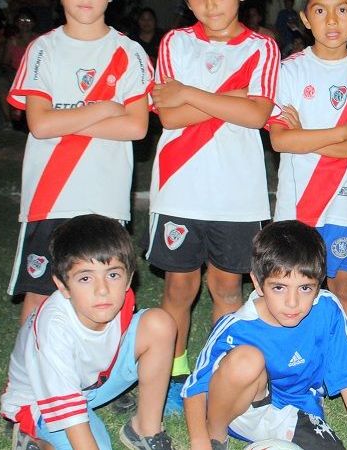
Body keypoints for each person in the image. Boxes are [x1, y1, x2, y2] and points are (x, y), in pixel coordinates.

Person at [142, 0, 279, 416]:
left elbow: (256, 115)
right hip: (179, 187)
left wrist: (189, 94)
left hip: (238, 194)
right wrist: (231, 98)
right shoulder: (175, 43)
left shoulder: (262, 47)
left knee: (228, 288)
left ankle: (222, 374)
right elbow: (168, 117)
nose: (211, 4)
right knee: (178, 289)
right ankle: (175, 375)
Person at [6, 0, 152, 326]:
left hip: (105, 195)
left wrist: (64, 121)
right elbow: (40, 124)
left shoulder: (129, 52)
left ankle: (98, 360)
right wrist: (103, 109)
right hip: (50, 193)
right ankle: (29, 360)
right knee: (41, 293)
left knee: (103, 293)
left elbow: (136, 126)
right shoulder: (42, 49)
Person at [182, 220, 347, 450]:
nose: (292, 303)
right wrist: (199, 441)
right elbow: (195, 388)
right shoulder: (238, 327)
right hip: (241, 412)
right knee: (246, 360)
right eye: (279, 288)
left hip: (297, 410)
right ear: (257, 283)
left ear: (319, 284)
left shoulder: (327, 310)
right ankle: (216, 435)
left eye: (305, 288)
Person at [267, 0, 347, 331]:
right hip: (295, 205)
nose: (332, 20)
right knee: (291, 285)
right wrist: (340, 134)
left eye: (342, 9)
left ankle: (343, 357)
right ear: (306, 19)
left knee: (343, 286)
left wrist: (304, 137)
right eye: (320, 11)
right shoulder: (288, 71)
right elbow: (280, 141)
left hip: (343, 206)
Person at [0, 214, 177, 450]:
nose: (102, 290)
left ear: (128, 279)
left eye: (113, 275)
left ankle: (145, 429)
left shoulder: (120, 299)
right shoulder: (53, 328)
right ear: (62, 285)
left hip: (93, 383)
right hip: (42, 399)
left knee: (159, 324)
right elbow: (69, 411)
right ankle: (35, 441)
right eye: (85, 278)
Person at [0, 7, 37, 130]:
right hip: (16, 74)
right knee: (0, 83)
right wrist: (14, 73)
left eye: (28, 20)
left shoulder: (39, 40)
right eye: (21, 20)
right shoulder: (12, 41)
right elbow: (5, 63)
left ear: (34, 23)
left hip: (35, 75)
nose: (25, 23)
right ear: (16, 23)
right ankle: (9, 120)